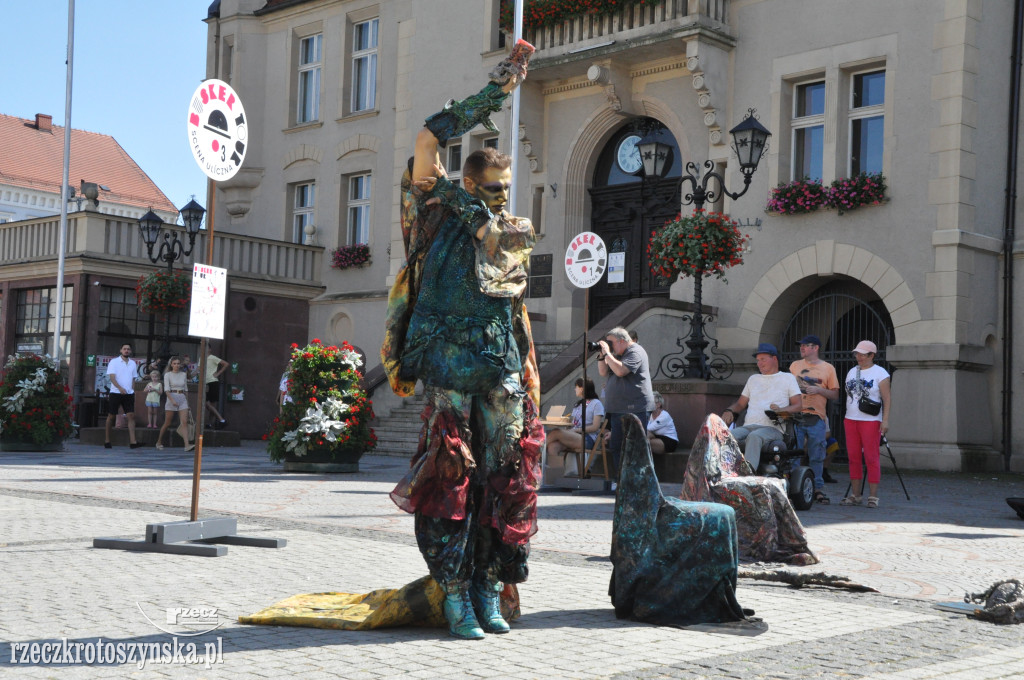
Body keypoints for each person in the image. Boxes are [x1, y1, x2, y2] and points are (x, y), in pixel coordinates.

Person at [381, 41, 543, 641]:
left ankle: (486, 586)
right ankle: (452, 592)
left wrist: (527, 369)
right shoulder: (434, 208)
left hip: (499, 363)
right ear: (467, 179)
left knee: (507, 480)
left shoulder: (512, 234)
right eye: (492, 189)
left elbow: (517, 305)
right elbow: (428, 138)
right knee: (452, 476)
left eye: (505, 190)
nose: (500, 199)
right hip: (449, 359)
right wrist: (497, 92)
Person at [720, 343, 802, 471]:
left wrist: (782, 410)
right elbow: (741, 404)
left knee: (755, 436)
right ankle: (725, 472)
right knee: (725, 436)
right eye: (758, 360)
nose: (759, 363)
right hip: (749, 426)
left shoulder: (787, 378)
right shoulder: (753, 379)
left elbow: (798, 405)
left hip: (773, 428)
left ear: (774, 359)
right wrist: (729, 410)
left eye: (763, 359)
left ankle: (748, 475)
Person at [596, 326, 655, 481]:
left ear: (622, 341)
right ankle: (621, 482)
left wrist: (607, 353)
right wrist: (602, 355)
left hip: (635, 408)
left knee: (635, 447)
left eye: (611, 342)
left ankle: (639, 483)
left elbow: (621, 371)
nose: (610, 346)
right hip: (617, 409)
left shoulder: (635, 351)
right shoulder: (615, 355)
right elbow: (603, 372)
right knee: (616, 446)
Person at [788, 335, 840, 504]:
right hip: (796, 416)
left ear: (816, 348)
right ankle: (793, 488)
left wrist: (818, 391)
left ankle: (816, 489)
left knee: (817, 454)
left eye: (806, 345)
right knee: (794, 453)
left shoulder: (828, 368)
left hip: (816, 417)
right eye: (801, 345)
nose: (802, 348)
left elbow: (834, 394)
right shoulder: (795, 366)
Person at [841, 340, 891, 509]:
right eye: (857, 354)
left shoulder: (880, 373)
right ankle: (856, 495)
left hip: (870, 420)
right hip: (851, 418)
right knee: (853, 457)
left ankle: (873, 496)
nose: (859, 357)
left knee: (871, 457)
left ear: (872, 355)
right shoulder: (851, 372)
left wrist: (885, 420)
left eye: (863, 354)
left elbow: (887, 398)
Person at [545, 377, 604, 476]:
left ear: (582, 388)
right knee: (552, 446)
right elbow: (573, 423)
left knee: (556, 432)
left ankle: (536, 451)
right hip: (575, 435)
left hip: (587, 438)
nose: (574, 389)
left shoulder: (596, 404)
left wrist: (576, 430)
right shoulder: (578, 404)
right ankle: (556, 476)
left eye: (576, 387)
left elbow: (595, 427)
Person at [104, 343, 140, 449]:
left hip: (129, 393)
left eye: (128, 349)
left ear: (130, 351)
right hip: (115, 392)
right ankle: (107, 440)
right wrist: (119, 388)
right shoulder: (114, 362)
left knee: (131, 416)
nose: (126, 351)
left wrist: (133, 389)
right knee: (111, 416)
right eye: (124, 349)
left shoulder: (133, 363)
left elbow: (134, 378)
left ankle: (133, 442)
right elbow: (112, 378)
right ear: (121, 350)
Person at [156, 356, 194, 452]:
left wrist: (188, 403)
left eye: (178, 363)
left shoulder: (183, 374)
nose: (176, 365)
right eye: (174, 363)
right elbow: (167, 390)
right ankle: (159, 441)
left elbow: (186, 389)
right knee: (167, 422)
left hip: (182, 398)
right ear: (171, 365)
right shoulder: (167, 375)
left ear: (180, 364)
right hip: (171, 397)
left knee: (184, 422)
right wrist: (172, 400)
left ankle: (187, 445)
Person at [204, 351, 229, 429]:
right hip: (206, 382)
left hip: (213, 382)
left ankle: (216, 421)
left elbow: (226, 364)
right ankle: (215, 422)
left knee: (209, 404)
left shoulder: (212, 357)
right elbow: (198, 369)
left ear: (209, 349)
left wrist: (217, 374)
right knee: (209, 405)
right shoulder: (201, 358)